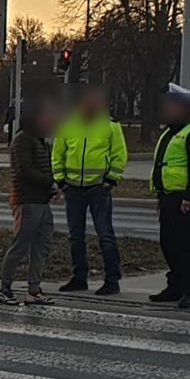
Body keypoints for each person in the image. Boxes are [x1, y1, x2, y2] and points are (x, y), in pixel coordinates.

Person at [51, 86, 127, 295]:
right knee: (75, 236)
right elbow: (58, 153)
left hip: (98, 188)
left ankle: (112, 279)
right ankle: (79, 277)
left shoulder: (110, 126)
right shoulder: (68, 124)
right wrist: (60, 180)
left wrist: (111, 179)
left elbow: (119, 154)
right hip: (73, 188)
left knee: (105, 235)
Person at [149, 83, 190, 308]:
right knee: (169, 244)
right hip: (168, 197)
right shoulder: (171, 131)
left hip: (184, 199)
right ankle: (175, 285)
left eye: (172, 106)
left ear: (185, 108)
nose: (168, 109)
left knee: (187, 246)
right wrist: (160, 194)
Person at [0, 103, 58, 306]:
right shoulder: (22, 140)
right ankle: (5, 288)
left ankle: (33, 290)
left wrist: (53, 188)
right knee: (20, 246)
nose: (50, 121)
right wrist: (49, 183)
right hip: (26, 201)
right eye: (46, 117)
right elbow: (25, 171)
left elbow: (45, 168)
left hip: (42, 201)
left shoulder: (41, 141)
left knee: (42, 246)